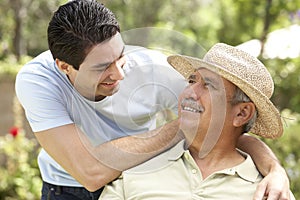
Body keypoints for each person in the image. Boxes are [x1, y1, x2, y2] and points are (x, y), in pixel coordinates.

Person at [15, 0, 290, 199]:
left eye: (120, 56)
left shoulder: (153, 71)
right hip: (68, 188)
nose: (119, 74)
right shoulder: (39, 81)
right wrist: (185, 124)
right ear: (64, 67)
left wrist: (275, 170)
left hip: (135, 172)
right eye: (102, 68)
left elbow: (225, 124)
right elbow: (90, 173)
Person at [99, 43, 295, 200]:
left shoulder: (271, 193)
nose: (190, 93)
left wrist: (275, 171)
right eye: (192, 81)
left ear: (242, 113)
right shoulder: (138, 170)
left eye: (208, 86)